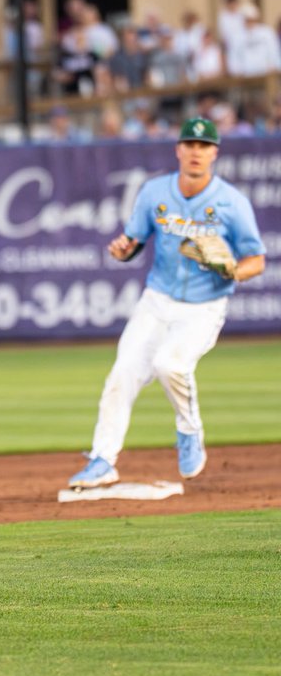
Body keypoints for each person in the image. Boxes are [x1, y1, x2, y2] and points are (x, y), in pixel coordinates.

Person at [67, 116, 266, 489]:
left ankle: (189, 432)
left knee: (169, 363)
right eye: (190, 144)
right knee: (122, 375)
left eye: (204, 146)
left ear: (214, 154)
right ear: (178, 149)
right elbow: (133, 242)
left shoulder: (230, 203)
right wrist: (123, 250)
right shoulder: (155, 192)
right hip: (157, 300)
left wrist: (234, 270)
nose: (196, 151)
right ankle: (102, 459)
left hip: (204, 307)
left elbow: (257, 259)